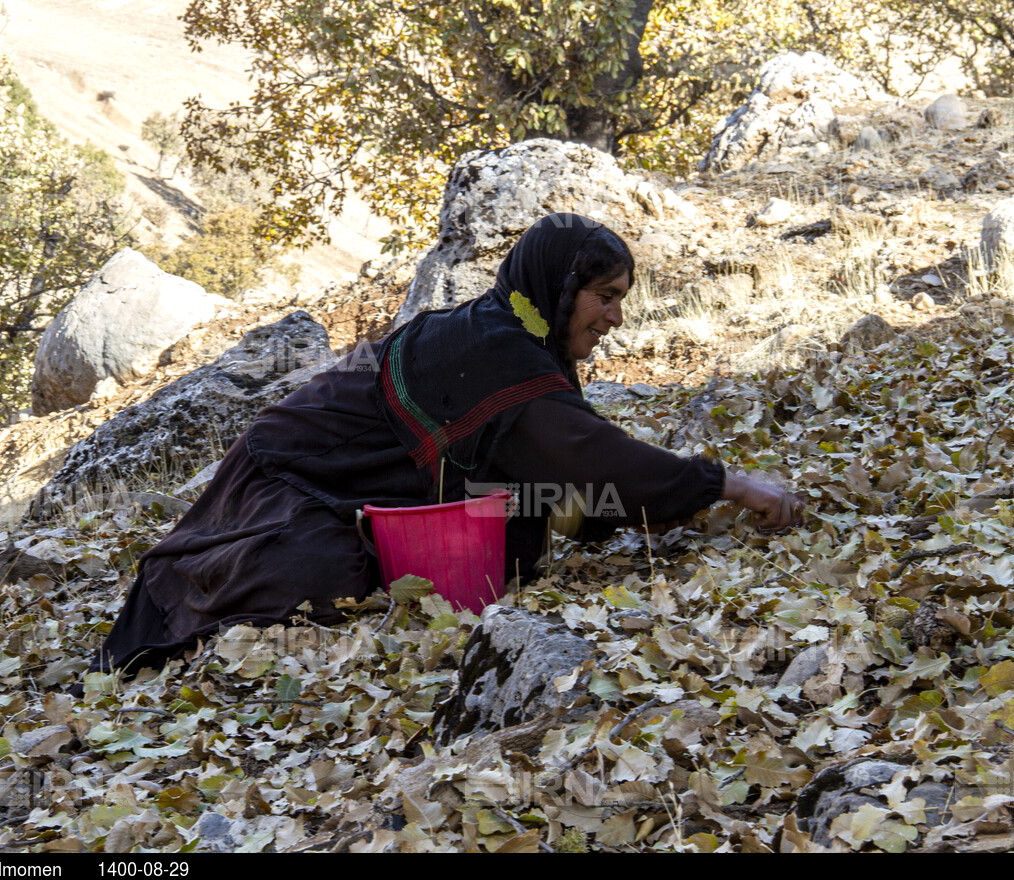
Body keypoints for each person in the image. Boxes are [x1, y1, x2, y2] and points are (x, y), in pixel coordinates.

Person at [93, 213, 801, 676]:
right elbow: (590, 457)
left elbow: (563, 477)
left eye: (620, 298)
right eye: (605, 296)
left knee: (517, 525)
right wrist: (726, 484)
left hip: (344, 482)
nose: (615, 316)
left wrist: (630, 506)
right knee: (328, 577)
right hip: (289, 481)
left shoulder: (519, 334)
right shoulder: (498, 347)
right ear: (560, 290)